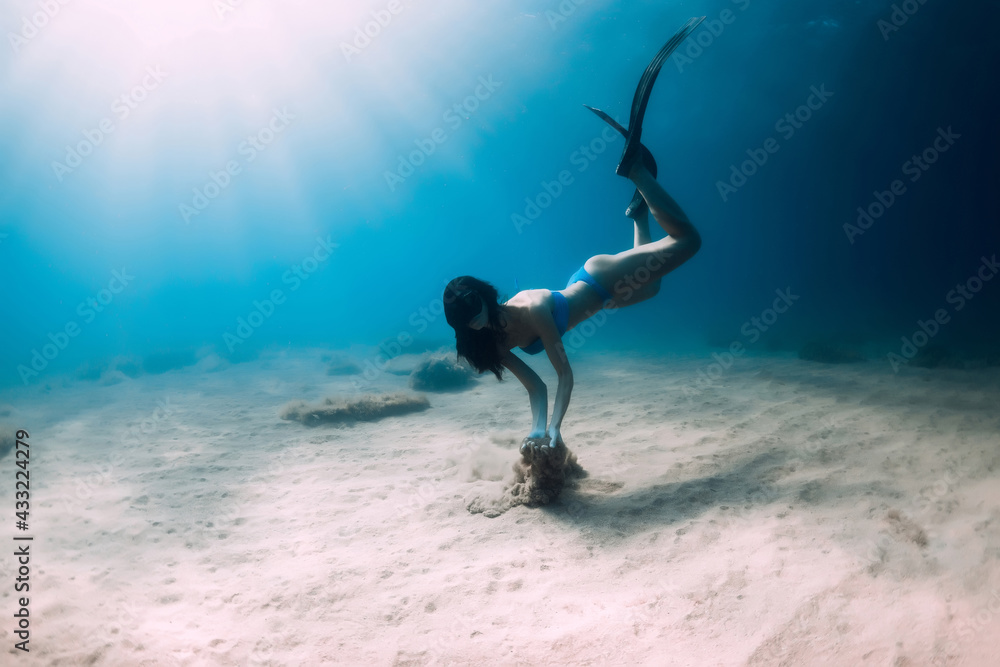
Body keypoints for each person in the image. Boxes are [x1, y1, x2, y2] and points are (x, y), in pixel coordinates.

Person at [444, 20, 705, 452]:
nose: (473, 323)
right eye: (465, 320)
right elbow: (536, 389)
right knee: (654, 286)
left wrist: (557, 430)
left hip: (600, 279)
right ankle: (638, 211)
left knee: (689, 242)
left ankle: (637, 173)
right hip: (604, 296)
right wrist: (536, 431)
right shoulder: (490, 338)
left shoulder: (530, 310)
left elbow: (562, 375)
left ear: (488, 299)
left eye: (475, 311)